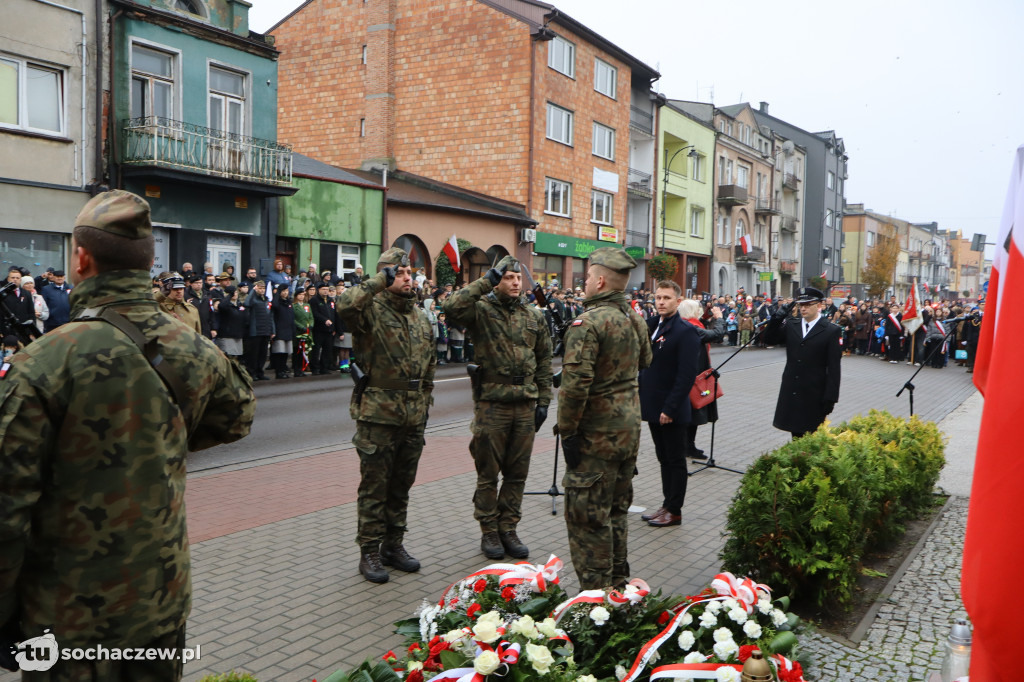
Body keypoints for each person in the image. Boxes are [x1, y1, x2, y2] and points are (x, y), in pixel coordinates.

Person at [0, 189, 255, 681]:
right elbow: (237, 416)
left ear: (81, 258)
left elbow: (7, 506)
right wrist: (157, 437)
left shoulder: (45, 362)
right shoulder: (192, 347)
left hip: (69, 624)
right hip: (160, 604)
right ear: (148, 262)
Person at [442, 256, 553, 560]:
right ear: (497, 280)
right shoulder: (481, 310)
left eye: (518, 278)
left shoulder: (533, 316)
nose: (516, 283)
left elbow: (544, 361)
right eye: (508, 277)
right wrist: (485, 280)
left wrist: (544, 401)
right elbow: (451, 308)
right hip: (492, 403)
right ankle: (489, 530)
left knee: (517, 474)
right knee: (488, 473)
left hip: (525, 402)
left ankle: (509, 527)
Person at [337, 247, 436, 583]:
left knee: (401, 485)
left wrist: (424, 404)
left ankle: (394, 545)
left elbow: (429, 366)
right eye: (400, 273)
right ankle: (369, 552)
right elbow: (345, 304)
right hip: (378, 414)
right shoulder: (370, 310)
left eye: (410, 273)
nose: (408, 278)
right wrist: (380, 279)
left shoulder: (419, 316)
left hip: (412, 414)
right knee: (375, 487)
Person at [557, 247, 651, 590]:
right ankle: (617, 582)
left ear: (599, 280)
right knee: (615, 512)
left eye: (586, 277)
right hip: (628, 431)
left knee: (587, 517)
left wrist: (567, 430)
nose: (583, 284)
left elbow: (574, 386)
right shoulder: (634, 318)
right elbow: (646, 361)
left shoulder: (589, 323)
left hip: (596, 435)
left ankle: (595, 597)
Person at [638, 280, 700, 528]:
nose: (661, 302)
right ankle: (666, 505)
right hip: (653, 405)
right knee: (663, 458)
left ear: (678, 300)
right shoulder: (652, 325)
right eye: (658, 297)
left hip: (670, 409)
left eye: (666, 298)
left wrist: (670, 408)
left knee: (675, 460)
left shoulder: (685, 332)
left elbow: (685, 376)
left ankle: (674, 511)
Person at [762, 287, 842, 439]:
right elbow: (769, 339)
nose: (803, 308)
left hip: (814, 393)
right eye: (801, 305)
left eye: (808, 305)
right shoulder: (793, 325)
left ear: (819, 306)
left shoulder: (830, 330)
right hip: (792, 390)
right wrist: (777, 318)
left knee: (812, 438)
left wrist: (831, 397)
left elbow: (833, 368)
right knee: (796, 435)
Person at [243, 280, 274, 381]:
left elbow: (270, 316)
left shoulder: (266, 300)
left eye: (263, 288)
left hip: (265, 330)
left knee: (262, 354)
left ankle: (260, 372)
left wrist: (272, 330)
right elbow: (247, 303)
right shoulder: (253, 299)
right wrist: (252, 291)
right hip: (255, 331)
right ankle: (252, 373)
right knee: (253, 354)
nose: (262, 290)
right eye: (260, 288)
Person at [309, 281, 336, 375]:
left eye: (327, 289)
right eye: (323, 289)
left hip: (329, 330)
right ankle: (315, 368)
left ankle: (324, 368)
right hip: (318, 329)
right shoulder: (314, 300)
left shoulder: (330, 300)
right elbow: (315, 313)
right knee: (316, 350)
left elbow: (334, 314)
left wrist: (334, 327)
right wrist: (324, 320)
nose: (325, 291)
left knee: (327, 350)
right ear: (318, 290)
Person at [270, 284, 295, 379]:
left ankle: (283, 370)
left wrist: (293, 330)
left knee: (285, 353)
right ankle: (279, 371)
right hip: (279, 330)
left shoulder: (288, 302)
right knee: (279, 352)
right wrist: (276, 294)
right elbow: (275, 305)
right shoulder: (277, 302)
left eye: (286, 291)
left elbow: (292, 317)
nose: (285, 293)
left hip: (288, 330)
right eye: (283, 291)